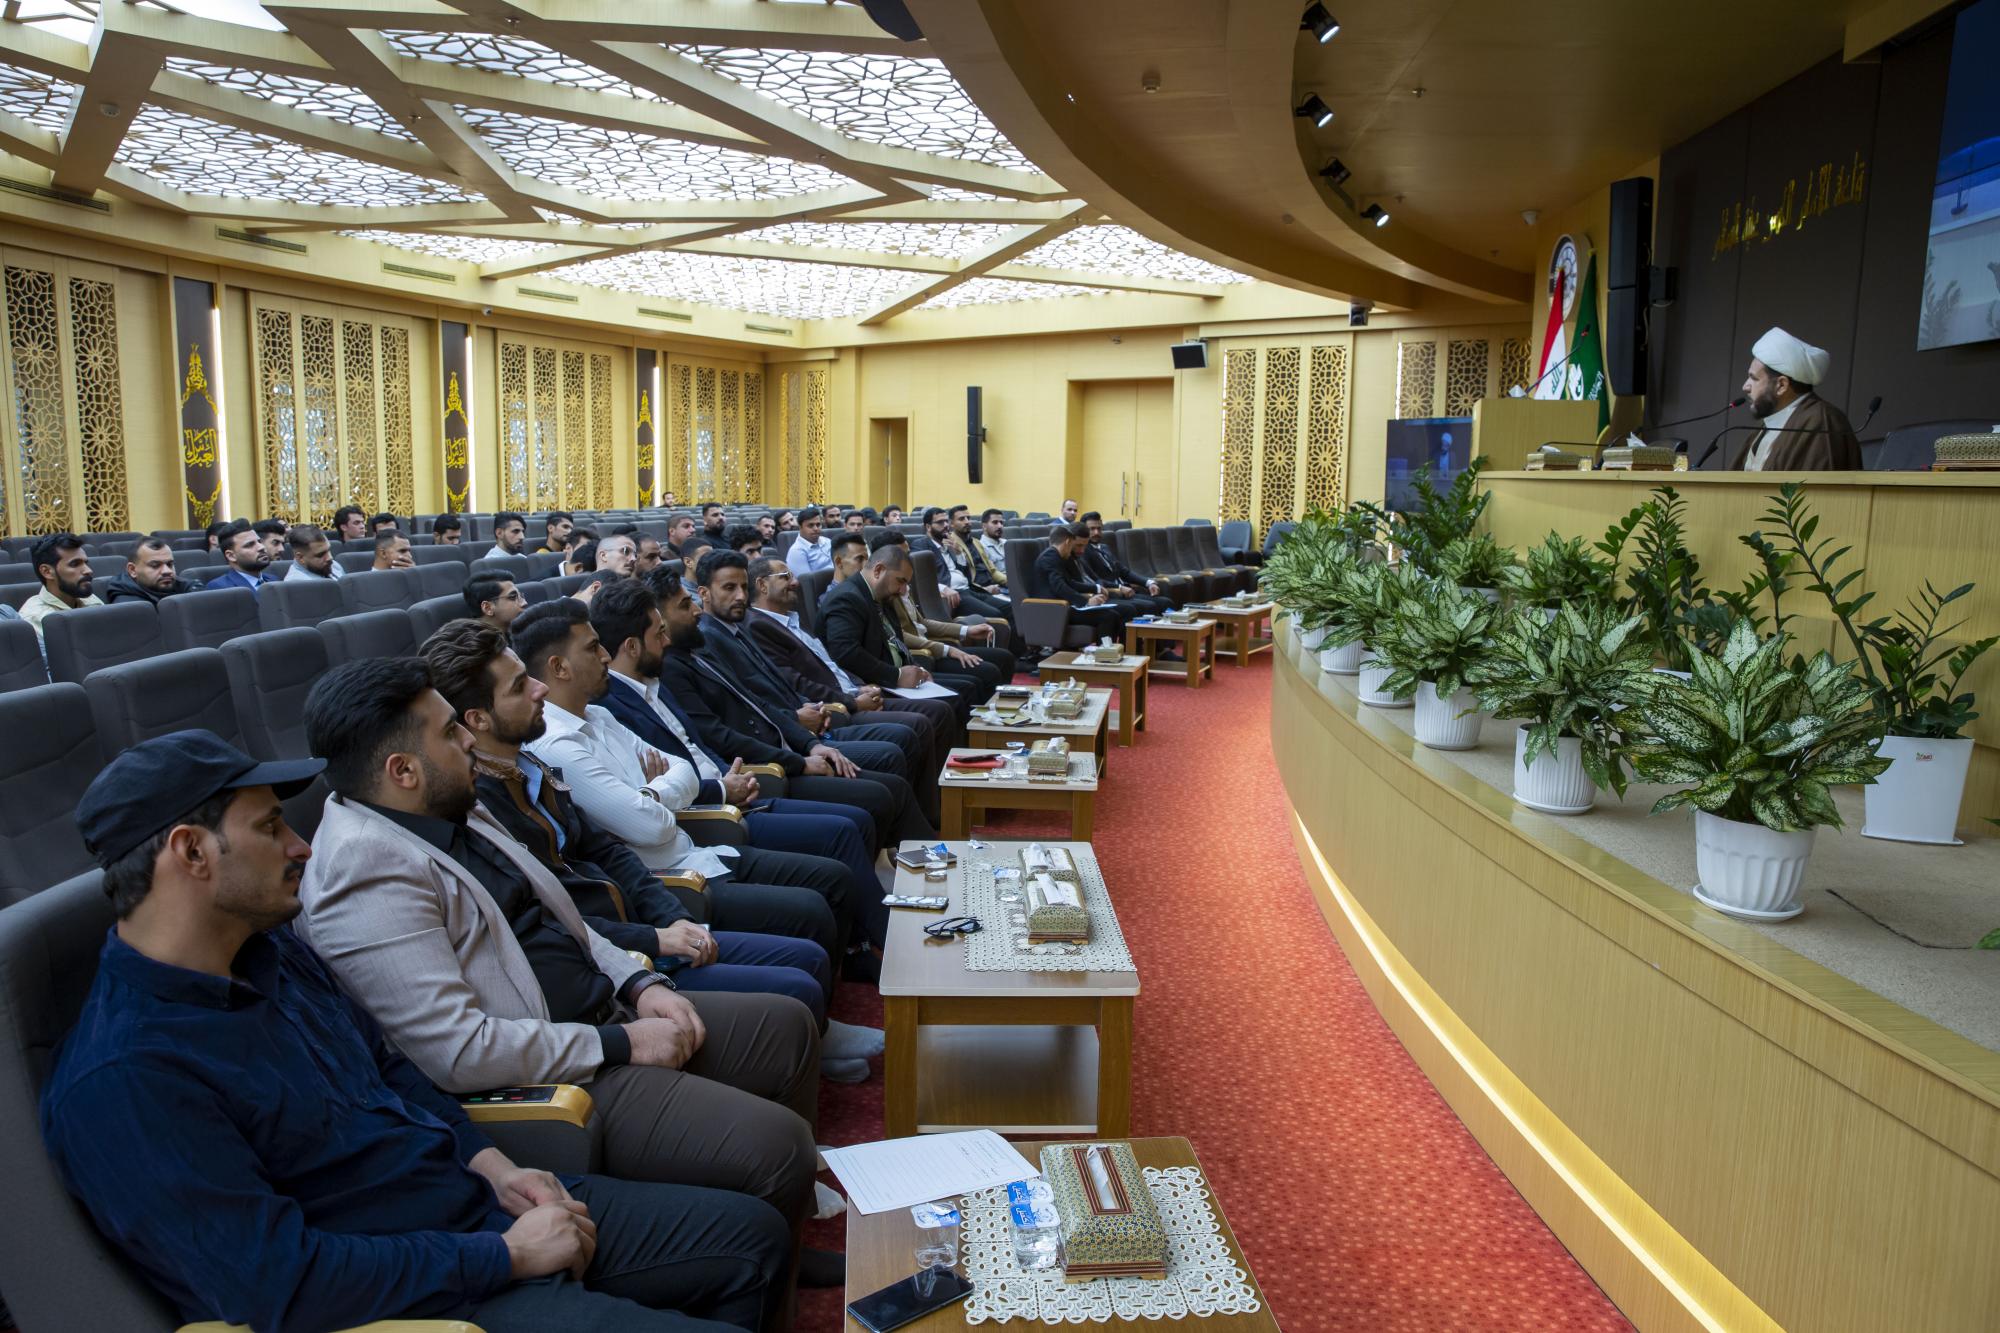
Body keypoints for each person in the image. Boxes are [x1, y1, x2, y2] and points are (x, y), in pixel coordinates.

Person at [44, 730, 792, 1333]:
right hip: (423, 1298)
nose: (301, 845)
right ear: (191, 852)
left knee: (754, 1236)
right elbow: (275, 1281)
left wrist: (494, 1166)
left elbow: (390, 1070)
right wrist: (502, 1258)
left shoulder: (268, 952)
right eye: (270, 827)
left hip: (472, 1205)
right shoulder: (128, 1075)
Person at [294, 658, 832, 1285]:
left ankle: (788, 1233)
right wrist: (621, 1042)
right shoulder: (364, 868)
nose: (468, 738)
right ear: (402, 770)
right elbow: (457, 1051)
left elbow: (565, 918)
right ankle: (771, 1249)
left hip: (603, 1012)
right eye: (448, 731)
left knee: (786, 1026)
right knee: (779, 1145)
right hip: (553, 1075)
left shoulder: (449, 802)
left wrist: (639, 983)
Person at [418, 621, 877, 1089]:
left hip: (646, 919)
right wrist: (654, 939)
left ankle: (812, 1049)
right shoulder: (480, 807)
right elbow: (555, 917)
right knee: (797, 981)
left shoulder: (528, 764)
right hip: (615, 957)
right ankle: (803, 1054)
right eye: (520, 686)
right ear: (477, 720)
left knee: (807, 953)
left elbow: (608, 848)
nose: (540, 689)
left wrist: (673, 918)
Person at [516, 595, 874, 965]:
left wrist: (647, 794)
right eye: (593, 648)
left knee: (833, 877)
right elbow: (649, 826)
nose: (606, 655)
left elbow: (682, 768)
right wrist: (656, 794)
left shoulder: (599, 715)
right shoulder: (557, 745)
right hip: (671, 880)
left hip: (698, 849)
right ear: (559, 667)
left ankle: (865, 958)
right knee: (813, 910)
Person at [694, 550, 938, 824]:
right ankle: (927, 835)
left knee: (898, 763)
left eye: (742, 586)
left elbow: (788, 682)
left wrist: (815, 711)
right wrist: (807, 719)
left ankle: (920, 834)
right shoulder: (713, 639)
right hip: (785, 748)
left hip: (807, 726)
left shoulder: (737, 629)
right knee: (891, 770)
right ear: (703, 593)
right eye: (730, 588)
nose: (741, 595)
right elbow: (751, 708)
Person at [744, 555, 960, 763]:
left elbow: (830, 664)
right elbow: (797, 683)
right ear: (762, 585)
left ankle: (947, 781)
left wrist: (860, 686)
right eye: (786, 576)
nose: (795, 582)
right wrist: (853, 701)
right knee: (922, 722)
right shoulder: (759, 626)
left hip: (853, 693)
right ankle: (941, 787)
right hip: (835, 710)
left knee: (940, 708)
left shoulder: (791, 620)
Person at [817, 536, 983, 715]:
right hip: (868, 685)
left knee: (967, 688)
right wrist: (897, 676)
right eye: (901, 581)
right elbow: (845, 653)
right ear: (878, 570)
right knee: (948, 704)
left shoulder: (882, 594)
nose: (903, 590)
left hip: (892, 676)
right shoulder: (847, 598)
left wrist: (917, 669)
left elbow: (896, 641)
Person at [872, 532, 1014, 696]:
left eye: (908, 553)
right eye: (901, 555)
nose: (908, 559)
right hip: (920, 655)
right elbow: (898, 635)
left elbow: (922, 623)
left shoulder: (904, 582)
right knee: (987, 673)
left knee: (1005, 658)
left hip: (930, 646)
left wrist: (966, 630)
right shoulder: (885, 591)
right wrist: (946, 649)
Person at [1733, 327, 1862, 471]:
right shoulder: (1768, 425)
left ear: (1781, 385)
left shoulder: (1822, 421)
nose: (1745, 386)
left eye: (1754, 378)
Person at [1034, 524, 1131, 638]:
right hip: (1054, 608)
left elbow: (1069, 583)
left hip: (1063, 605)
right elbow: (1059, 587)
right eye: (1072, 546)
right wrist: (1086, 602)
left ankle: (1108, 648)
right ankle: (1104, 649)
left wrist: (1095, 590)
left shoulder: (1055, 556)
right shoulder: (1050, 557)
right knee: (1108, 616)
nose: (1071, 552)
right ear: (1067, 542)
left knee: (1111, 614)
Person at [1080, 511, 1173, 618]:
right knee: (1150, 606)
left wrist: (1148, 583)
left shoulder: (1104, 547)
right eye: (1092, 529)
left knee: (1166, 602)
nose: (1096, 532)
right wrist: (1119, 588)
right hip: (1112, 593)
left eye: (1099, 528)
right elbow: (1095, 579)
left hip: (1127, 591)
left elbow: (1124, 572)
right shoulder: (1083, 551)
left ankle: (1174, 626)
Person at [20, 532, 103, 643]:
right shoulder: (35, 618)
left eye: (86, 563)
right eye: (75, 564)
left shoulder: (90, 599)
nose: (88, 570)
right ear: (47, 572)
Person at [99, 537, 198, 606]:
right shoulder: (128, 607)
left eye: (169, 564)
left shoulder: (179, 585)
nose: (167, 571)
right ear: (132, 570)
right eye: (155, 565)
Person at [204, 521, 280, 599]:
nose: (261, 547)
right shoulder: (220, 588)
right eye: (250, 545)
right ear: (231, 556)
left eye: (259, 542)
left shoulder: (274, 580)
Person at [783, 507, 831, 579]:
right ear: (800, 527)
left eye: (818, 524)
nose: (816, 528)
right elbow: (807, 582)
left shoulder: (828, 541)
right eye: (810, 525)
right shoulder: (796, 551)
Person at [971, 508, 1011, 593]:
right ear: (984, 526)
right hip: (1001, 586)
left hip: (1015, 582)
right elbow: (992, 575)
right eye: (995, 522)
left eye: (1001, 523)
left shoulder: (1007, 543)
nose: (999, 526)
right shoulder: (980, 547)